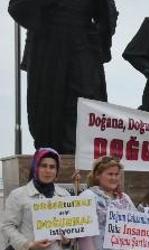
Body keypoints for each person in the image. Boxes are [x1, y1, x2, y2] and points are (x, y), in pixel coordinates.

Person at [8, 0, 117, 154]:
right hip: (47, 43)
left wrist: (98, 40)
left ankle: (82, 149)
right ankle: (51, 151)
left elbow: (107, 14)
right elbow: (18, 7)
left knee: (88, 94)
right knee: (47, 99)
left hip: (83, 40)